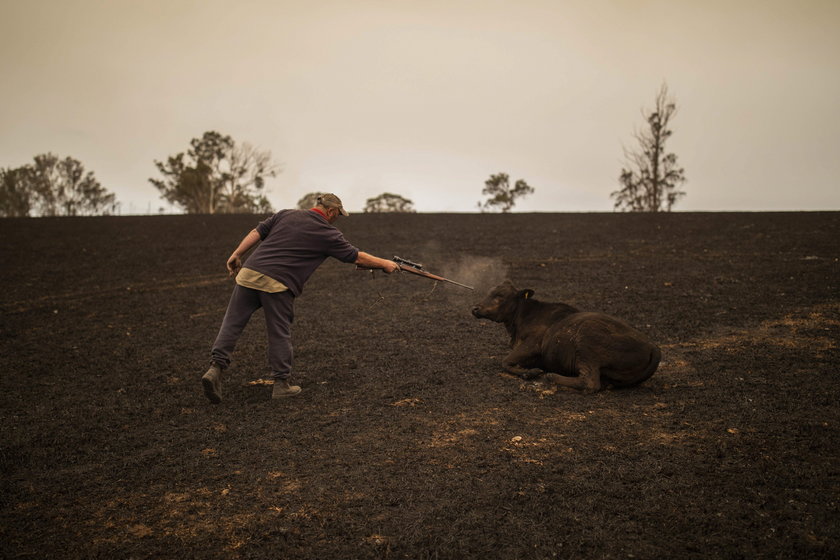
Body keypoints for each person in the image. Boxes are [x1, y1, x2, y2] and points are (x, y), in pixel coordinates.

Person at [201, 193, 399, 403]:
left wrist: (237, 254)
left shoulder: (285, 214)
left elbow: (256, 231)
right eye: (338, 215)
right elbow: (356, 256)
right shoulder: (327, 232)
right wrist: (385, 263)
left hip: (249, 274)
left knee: (232, 324)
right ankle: (281, 384)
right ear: (331, 211)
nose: (337, 219)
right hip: (278, 283)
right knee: (279, 332)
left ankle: (215, 369)